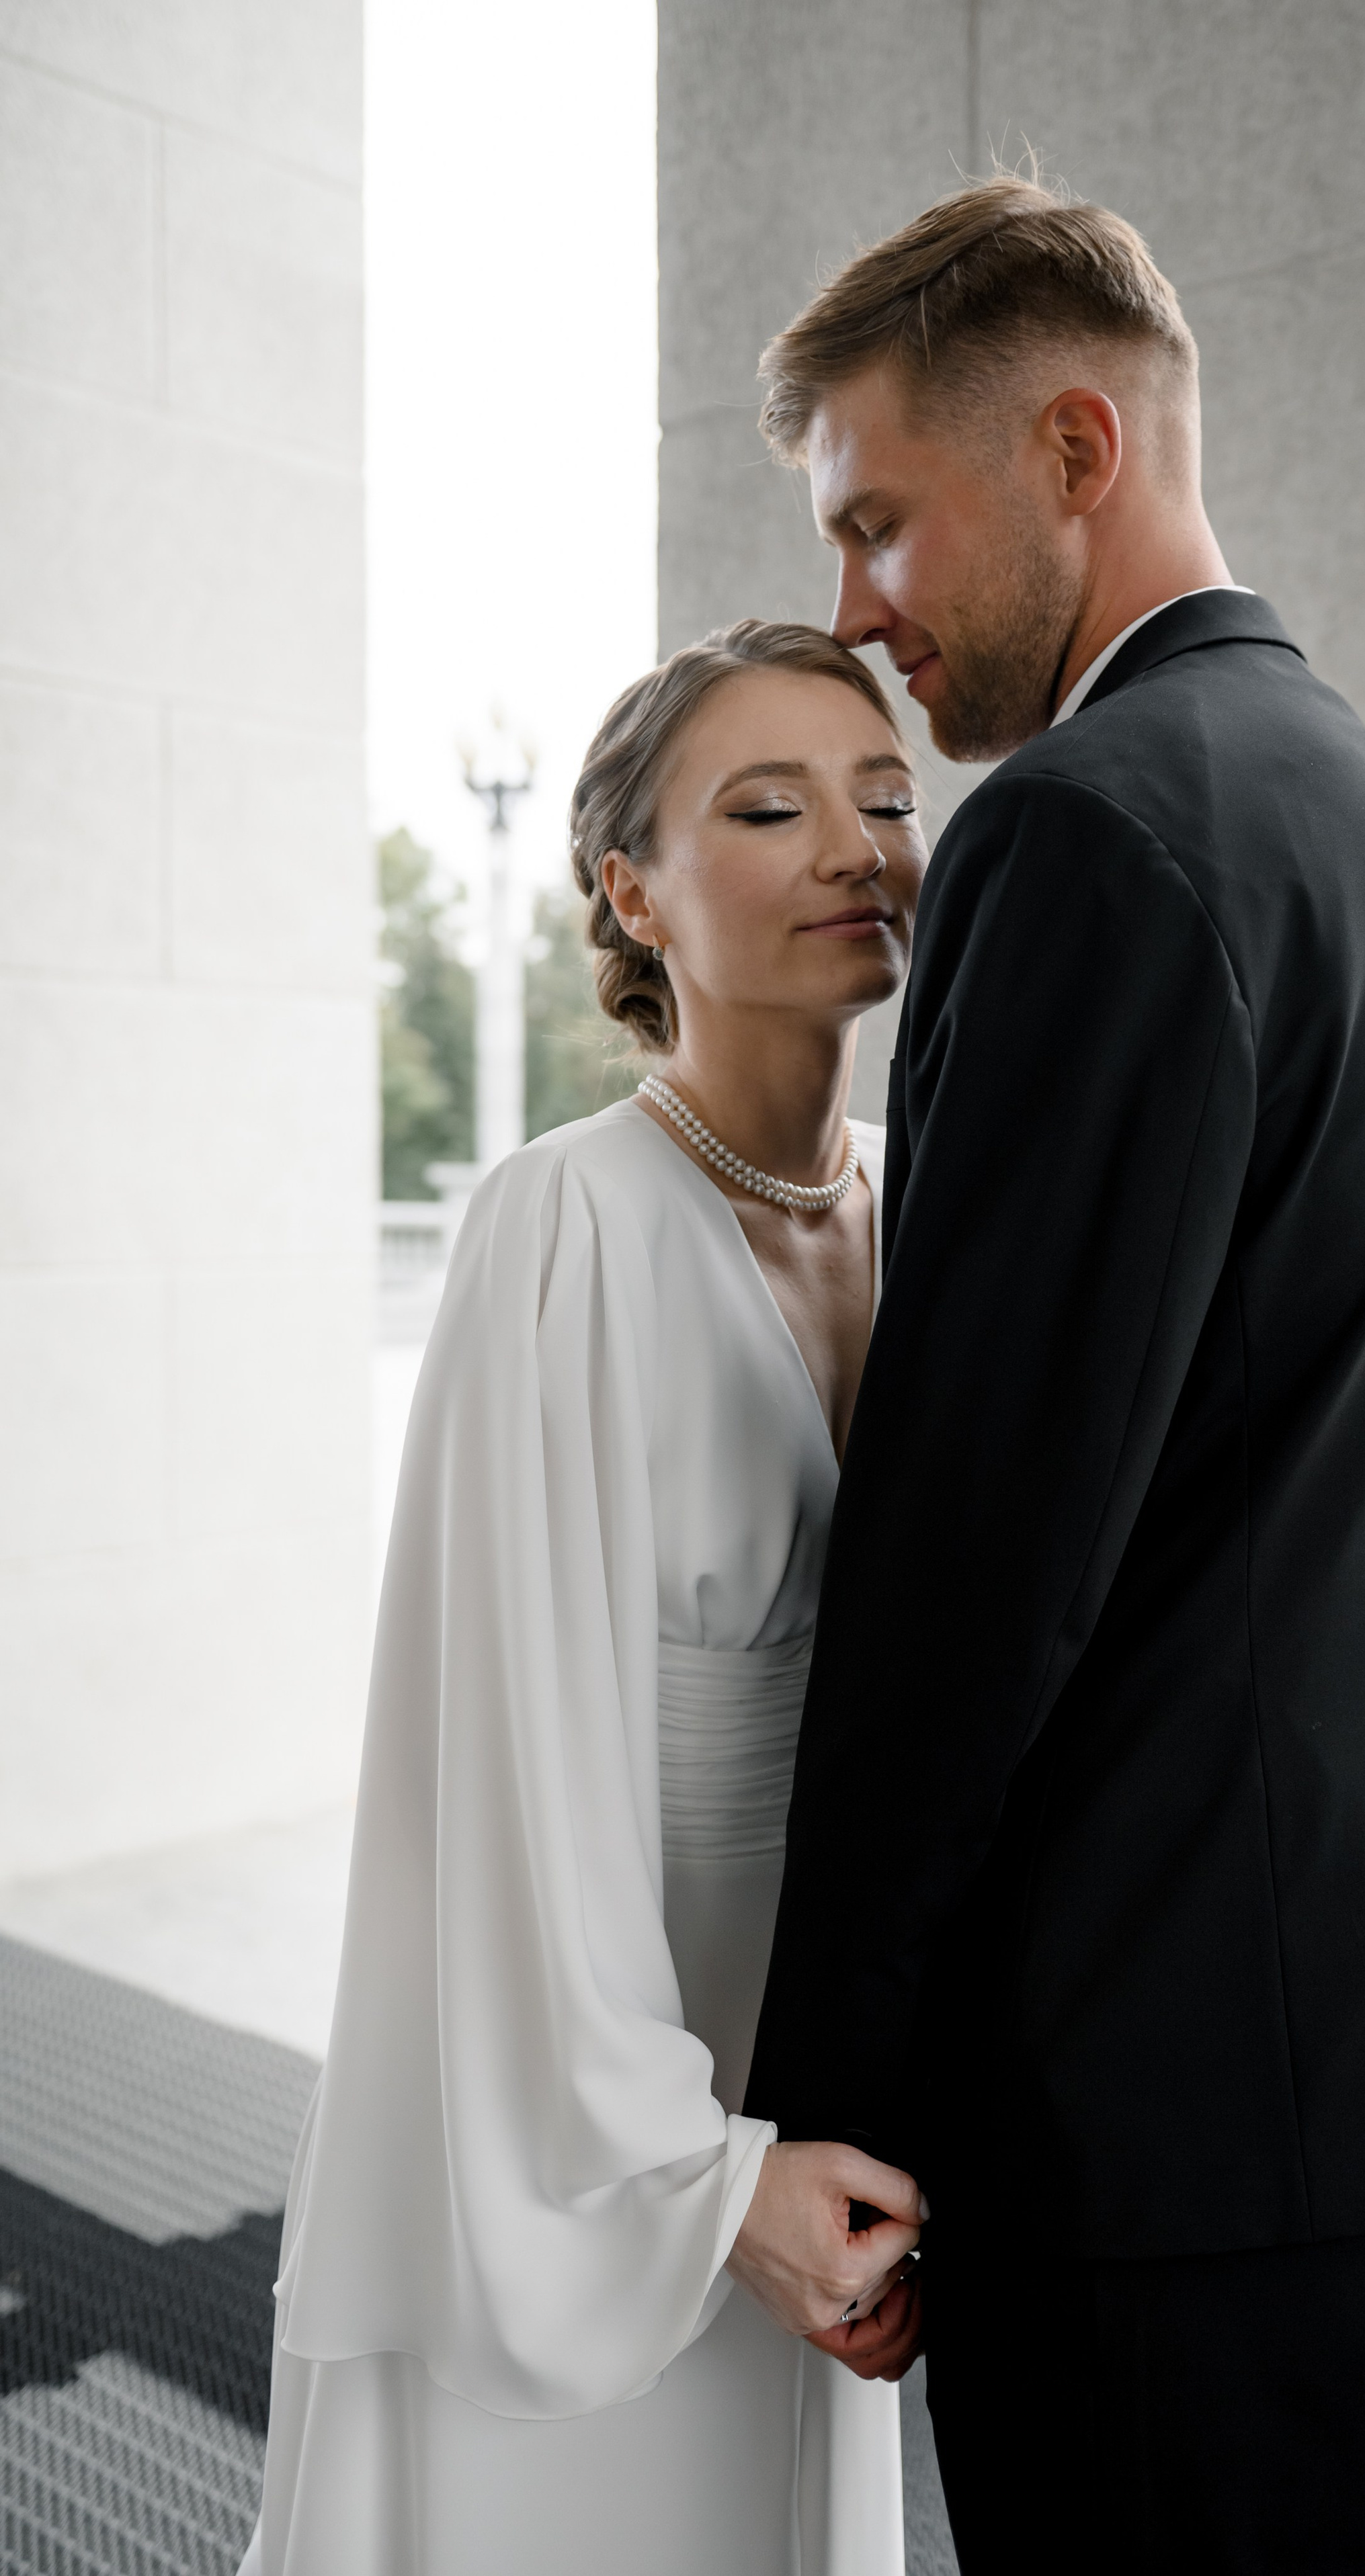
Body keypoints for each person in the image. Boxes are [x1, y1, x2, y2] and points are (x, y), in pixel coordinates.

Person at [742, 175, 1365, 2573]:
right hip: (1356, 2019)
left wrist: (822, 2100)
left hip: (1156, 2077)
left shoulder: (1090, 835)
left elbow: (980, 1545)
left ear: (1076, 448)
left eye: (879, 520)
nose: (858, 610)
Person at [238, 621, 931, 2576]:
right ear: (633, 892)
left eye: (887, 795)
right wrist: (699, 2182)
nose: (856, 846)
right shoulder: (566, 1222)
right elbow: (508, 1778)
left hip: (838, 2046)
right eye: (770, 808)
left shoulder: (933, 1197)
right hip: (599, 2074)